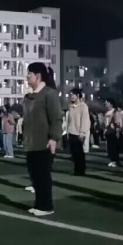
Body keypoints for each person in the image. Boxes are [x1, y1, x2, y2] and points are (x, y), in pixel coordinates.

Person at [23, 63, 63, 217]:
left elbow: (56, 118)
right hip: (30, 143)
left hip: (43, 142)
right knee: (34, 175)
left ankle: (46, 206)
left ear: (38, 76)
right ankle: (39, 204)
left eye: (30, 74)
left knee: (43, 175)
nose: (27, 77)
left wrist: (53, 138)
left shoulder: (49, 94)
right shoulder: (29, 97)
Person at [65, 88, 90, 175]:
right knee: (74, 153)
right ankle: (76, 169)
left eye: (73, 95)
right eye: (70, 95)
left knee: (80, 153)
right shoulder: (70, 107)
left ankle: (81, 170)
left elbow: (85, 120)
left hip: (79, 133)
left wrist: (82, 132)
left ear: (78, 95)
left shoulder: (83, 106)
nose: (71, 96)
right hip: (71, 132)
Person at [104, 99, 122, 167]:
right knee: (109, 147)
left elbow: (118, 122)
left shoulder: (115, 111)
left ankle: (115, 161)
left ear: (111, 103)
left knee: (114, 147)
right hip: (108, 132)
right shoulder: (106, 112)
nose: (105, 104)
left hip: (113, 131)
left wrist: (117, 131)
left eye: (107, 103)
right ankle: (112, 160)